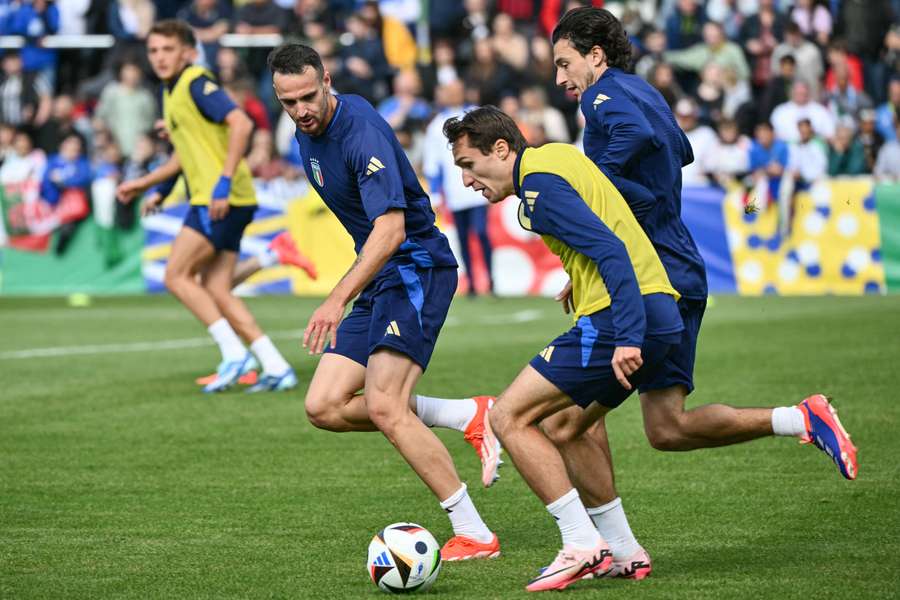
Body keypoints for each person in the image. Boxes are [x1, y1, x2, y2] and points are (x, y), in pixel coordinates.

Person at [535, 6, 858, 582]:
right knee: (667, 428)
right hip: (678, 266)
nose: (561, 79)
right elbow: (679, 148)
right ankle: (800, 418)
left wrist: (595, 193)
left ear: (595, 56)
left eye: (564, 63)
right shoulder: (647, 91)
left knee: (560, 423)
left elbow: (635, 140)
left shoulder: (601, 98)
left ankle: (603, 549)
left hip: (654, 275)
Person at [267, 42, 501, 561]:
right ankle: (469, 413)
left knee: (385, 406)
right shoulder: (305, 135)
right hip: (379, 278)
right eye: (289, 102)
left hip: (415, 268)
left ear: (327, 80)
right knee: (323, 406)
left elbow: (392, 229)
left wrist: (334, 300)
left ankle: (475, 534)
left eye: (308, 95)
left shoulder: (360, 131)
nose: (301, 110)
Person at [444, 106, 685, 592]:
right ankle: (624, 552)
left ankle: (580, 543)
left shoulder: (538, 189)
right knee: (567, 423)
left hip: (621, 318)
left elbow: (612, 250)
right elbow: (619, 209)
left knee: (508, 417)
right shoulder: (557, 157)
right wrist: (578, 276)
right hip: (659, 310)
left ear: (501, 149)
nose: (467, 181)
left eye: (470, 165)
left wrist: (628, 335)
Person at [116, 19, 297, 394]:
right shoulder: (173, 92)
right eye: (154, 50)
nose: (160, 57)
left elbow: (242, 123)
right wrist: (153, 187)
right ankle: (276, 366)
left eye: (168, 49)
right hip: (228, 198)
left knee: (175, 276)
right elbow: (186, 154)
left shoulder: (196, 82)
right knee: (217, 288)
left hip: (219, 198)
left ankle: (234, 354)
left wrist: (224, 180)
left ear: (187, 52)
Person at [423, 79, 494, 297]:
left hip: (479, 189)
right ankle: (472, 282)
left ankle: (491, 281)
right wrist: (435, 195)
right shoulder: (436, 126)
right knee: (462, 239)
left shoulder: (476, 116)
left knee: (481, 232)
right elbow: (433, 163)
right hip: (455, 192)